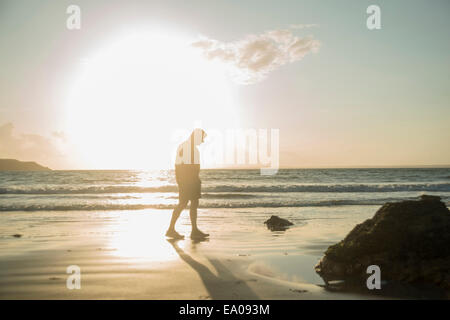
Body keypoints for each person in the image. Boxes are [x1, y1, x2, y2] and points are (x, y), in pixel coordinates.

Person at [166, 128, 209, 240]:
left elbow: (179, 166)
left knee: (185, 203)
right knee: (187, 203)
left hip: (184, 180)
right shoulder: (190, 148)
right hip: (189, 180)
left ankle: (185, 230)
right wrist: (194, 179)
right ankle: (184, 230)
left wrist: (181, 180)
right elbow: (192, 167)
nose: (203, 141)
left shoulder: (183, 146)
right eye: (202, 139)